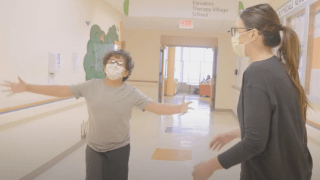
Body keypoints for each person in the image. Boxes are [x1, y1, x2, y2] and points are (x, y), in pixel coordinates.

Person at [1, 50, 193, 180]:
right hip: (93, 149)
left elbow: (155, 107)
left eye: (119, 64)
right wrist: (29, 87)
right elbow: (62, 90)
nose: (114, 66)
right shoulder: (90, 86)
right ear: (104, 67)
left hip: (119, 148)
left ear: (126, 71)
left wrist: (178, 109)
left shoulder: (131, 92)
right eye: (111, 62)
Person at [192, 4, 313, 180]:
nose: (234, 37)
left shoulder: (257, 73)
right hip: (296, 171)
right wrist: (233, 133)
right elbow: (276, 126)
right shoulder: (280, 70)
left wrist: (209, 167)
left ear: (253, 34)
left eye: (237, 30)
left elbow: (255, 143)